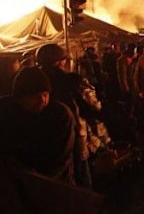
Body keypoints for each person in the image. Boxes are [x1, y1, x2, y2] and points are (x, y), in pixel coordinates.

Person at [0, 66, 76, 184]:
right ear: (19, 98)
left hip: (54, 183)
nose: (42, 100)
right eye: (33, 96)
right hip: (14, 181)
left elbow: (59, 158)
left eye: (45, 94)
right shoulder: (6, 111)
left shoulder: (60, 114)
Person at [37, 43, 92, 187]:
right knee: (80, 171)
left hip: (44, 137)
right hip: (73, 131)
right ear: (59, 62)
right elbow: (88, 107)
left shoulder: (35, 80)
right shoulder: (70, 80)